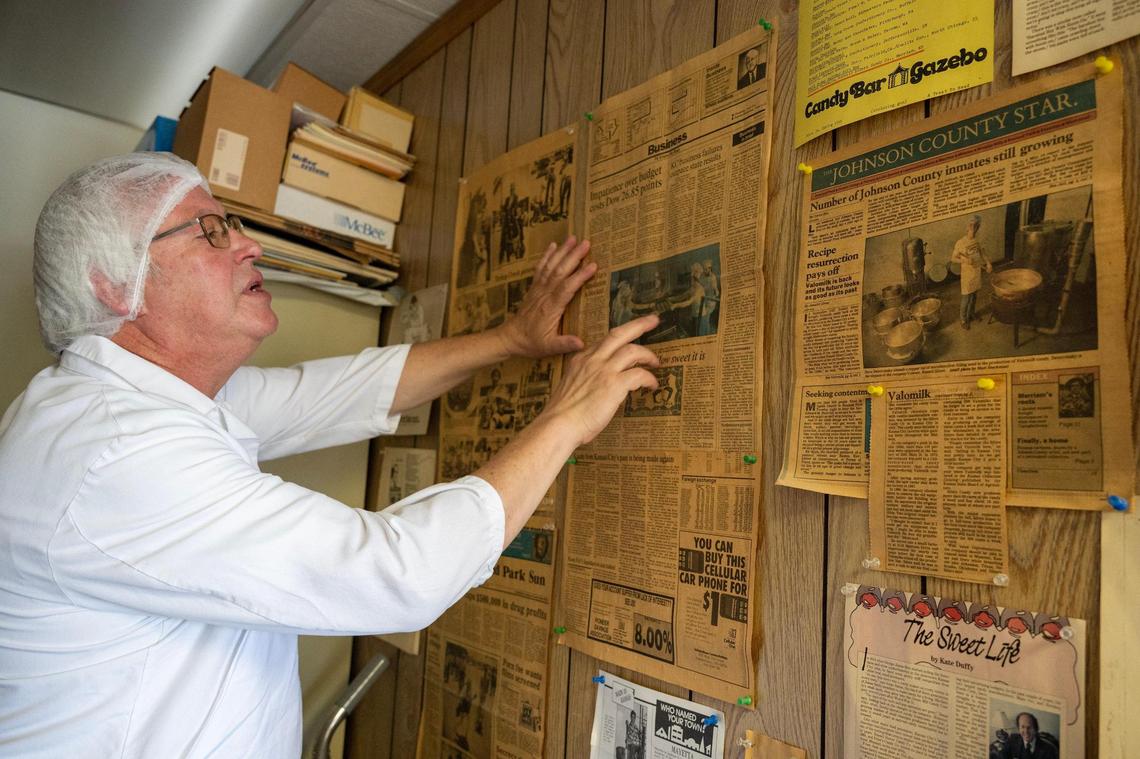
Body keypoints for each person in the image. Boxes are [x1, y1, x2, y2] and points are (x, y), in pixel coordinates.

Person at [0, 153, 661, 757]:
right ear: (116, 284)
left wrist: (511, 339)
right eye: (210, 231)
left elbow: (329, 395)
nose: (249, 244)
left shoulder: (131, 403)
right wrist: (569, 415)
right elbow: (400, 573)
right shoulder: (113, 455)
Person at [951, 214, 992, 329]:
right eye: (972, 227)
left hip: (977, 272)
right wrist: (963, 260)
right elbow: (953, 258)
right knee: (966, 297)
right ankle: (963, 319)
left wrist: (988, 263)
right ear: (967, 227)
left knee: (974, 296)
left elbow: (983, 253)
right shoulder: (960, 242)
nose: (974, 229)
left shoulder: (977, 241)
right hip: (967, 275)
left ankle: (972, 313)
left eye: (976, 227)